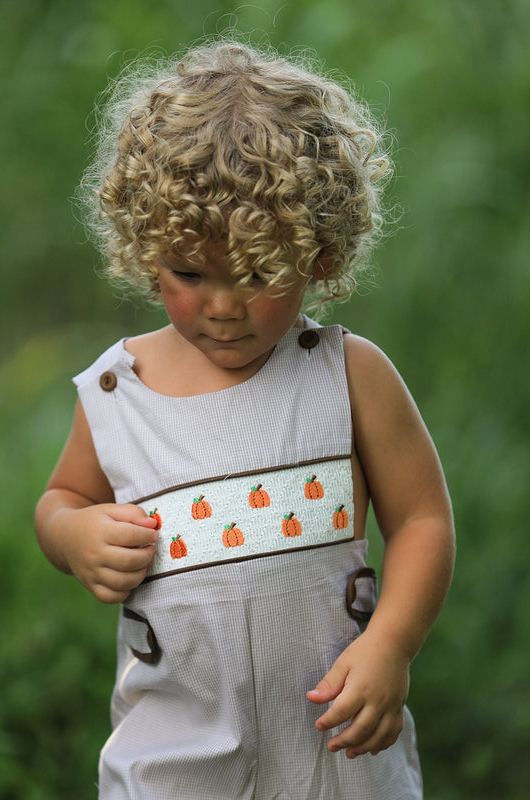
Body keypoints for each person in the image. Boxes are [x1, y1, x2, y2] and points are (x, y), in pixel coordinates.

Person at [35, 39, 455, 799]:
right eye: (188, 274)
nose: (222, 306)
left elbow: (423, 519)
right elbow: (61, 499)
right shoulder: (114, 391)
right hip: (173, 753)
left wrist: (391, 644)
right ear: (144, 246)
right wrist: (72, 535)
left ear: (318, 253)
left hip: (334, 743)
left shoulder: (347, 376)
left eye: (259, 274)